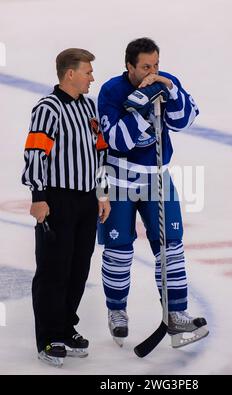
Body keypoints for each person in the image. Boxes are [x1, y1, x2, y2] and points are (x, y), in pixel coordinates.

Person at [97, 37, 208, 348]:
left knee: (171, 246)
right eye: (146, 66)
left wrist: (169, 91)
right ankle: (117, 311)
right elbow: (118, 140)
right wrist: (142, 105)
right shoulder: (111, 91)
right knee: (119, 251)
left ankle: (176, 313)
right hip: (118, 178)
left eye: (156, 64)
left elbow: (185, 120)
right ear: (129, 66)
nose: (153, 71)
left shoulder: (165, 82)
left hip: (157, 177)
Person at [21, 48, 110, 366]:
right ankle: (48, 337)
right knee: (53, 270)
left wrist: (102, 193)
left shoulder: (88, 107)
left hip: (86, 200)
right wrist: (38, 197)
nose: (92, 78)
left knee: (77, 268)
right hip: (57, 200)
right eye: (87, 72)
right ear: (69, 73)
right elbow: (35, 151)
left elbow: (99, 153)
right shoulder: (48, 108)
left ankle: (66, 326)